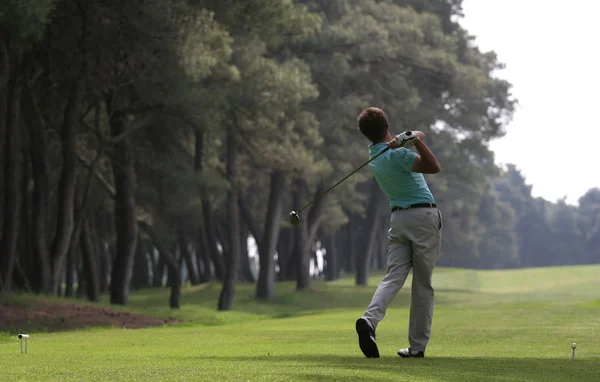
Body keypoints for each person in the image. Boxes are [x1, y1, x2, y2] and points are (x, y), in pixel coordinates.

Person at [354, 107, 443, 359]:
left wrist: (411, 137)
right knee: (422, 285)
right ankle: (416, 347)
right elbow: (434, 166)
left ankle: (369, 321)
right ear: (386, 125)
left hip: (398, 219)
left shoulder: (374, 155)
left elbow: (420, 134)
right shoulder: (399, 155)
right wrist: (413, 143)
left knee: (393, 277)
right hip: (424, 217)